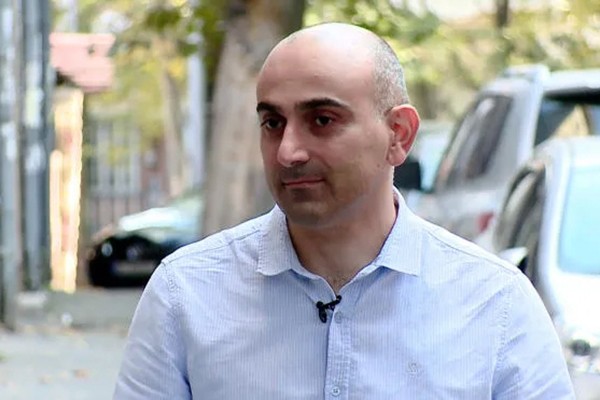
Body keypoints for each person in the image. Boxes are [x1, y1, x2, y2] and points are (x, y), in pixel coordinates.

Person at [114, 23, 575, 399]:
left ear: (399, 134)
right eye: (273, 123)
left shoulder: (495, 304)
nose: (288, 151)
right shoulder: (186, 294)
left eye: (322, 120)